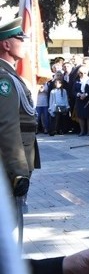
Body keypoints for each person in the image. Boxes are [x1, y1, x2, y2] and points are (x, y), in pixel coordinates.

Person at [0, 17, 39, 241]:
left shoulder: (9, 76)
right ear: (6, 44)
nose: (24, 43)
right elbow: (7, 127)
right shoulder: (4, 79)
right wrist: (18, 173)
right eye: (19, 39)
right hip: (8, 169)